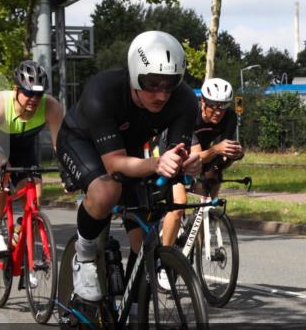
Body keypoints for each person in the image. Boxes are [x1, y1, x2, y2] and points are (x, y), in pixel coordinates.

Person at [56, 31, 202, 303]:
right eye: (151, 83)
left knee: (145, 229)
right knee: (105, 191)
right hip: (81, 141)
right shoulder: (104, 91)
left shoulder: (184, 100)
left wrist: (186, 163)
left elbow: (175, 153)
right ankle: (85, 255)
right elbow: (114, 166)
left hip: (129, 149)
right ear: (135, 75)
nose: (161, 94)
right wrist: (158, 162)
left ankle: (133, 310)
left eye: (170, 84)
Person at [0, 61, 64, 257]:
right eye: (28, 93)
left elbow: (61, 145)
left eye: (39, 94)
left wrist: (68, 173)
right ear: (16, 89)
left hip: (24, 148)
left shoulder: (51, 107)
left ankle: (22, 239)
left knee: (35, 198)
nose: (34, 99)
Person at [159, 77, 244, 247]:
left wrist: (236, 154)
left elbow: (223, 153)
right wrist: (216, 150)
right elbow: (194, 157)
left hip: (203, 155)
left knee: (211, 192)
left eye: (224, 105)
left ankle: (195, 241)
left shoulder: (230, 117)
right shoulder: (190, 115)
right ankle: (165, 260)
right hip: (176, 154)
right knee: (178, 207)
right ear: (202, 101)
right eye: (213, 105)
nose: (219, 111)